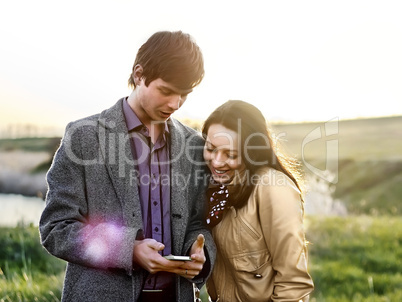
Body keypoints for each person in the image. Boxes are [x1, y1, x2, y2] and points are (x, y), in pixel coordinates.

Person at [39, 31, 216, 302]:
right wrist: (128, 250)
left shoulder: (193, 144)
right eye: (166, 91)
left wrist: (200, 251)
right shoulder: (83, 137)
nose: (175, 104)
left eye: (184, 95)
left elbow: (199, 222)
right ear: (138, 74)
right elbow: (56, 228)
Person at [202, 100, 314, 301]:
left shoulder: (272, 187)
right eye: (210, 149)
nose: (217, 161)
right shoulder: (215, 188)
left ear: (251, 152)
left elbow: (293, 285)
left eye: (230, 154)